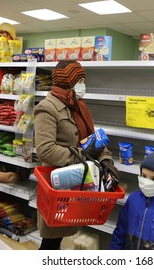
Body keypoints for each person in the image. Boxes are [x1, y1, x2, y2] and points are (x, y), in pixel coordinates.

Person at [34, 60, 120, 250]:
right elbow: (45, 149)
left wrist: (106, 161)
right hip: (59, 183)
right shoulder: (46, 108)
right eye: (80, 79)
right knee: (51, 239)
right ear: (68, 80)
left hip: (79, 181)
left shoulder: (79, 106)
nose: (83, 84)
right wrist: (83, 156)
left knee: (62, 233)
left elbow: (93, 138)